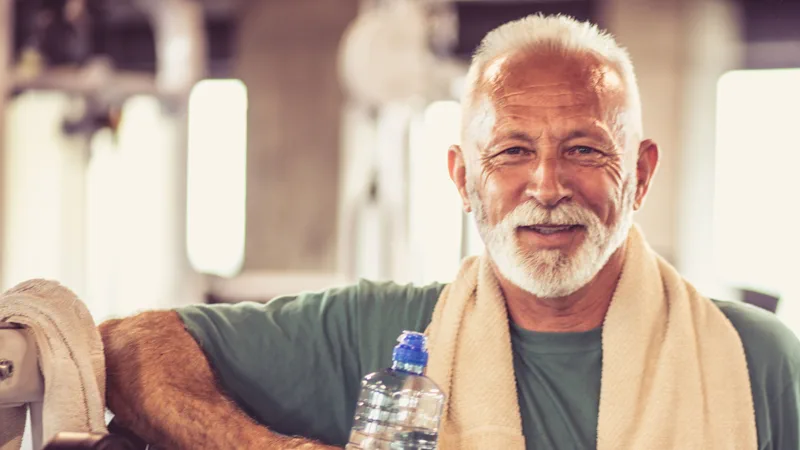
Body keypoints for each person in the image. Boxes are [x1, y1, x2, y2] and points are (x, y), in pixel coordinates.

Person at [99, 15, 800, 450]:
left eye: (585, 149)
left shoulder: (755, 361)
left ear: (640, 175)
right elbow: (129, 349)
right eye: (512, 152)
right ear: (464, 179)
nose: (548, 186)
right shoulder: (378, 333)